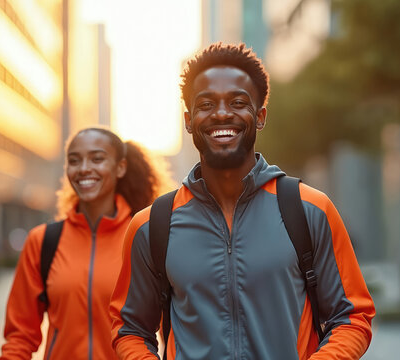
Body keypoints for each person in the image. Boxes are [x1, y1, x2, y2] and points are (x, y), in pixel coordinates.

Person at [110, 43, 375, 359]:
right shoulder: (152, 225)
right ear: (189, 120)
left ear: (260, 116)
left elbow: (352, 318)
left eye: (237, 102)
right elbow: (130, 330)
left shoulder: (310, 211)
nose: (222, 113)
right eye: (206, 104)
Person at [0, 127, 166, 360]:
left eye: (97, 159)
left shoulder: (144, 238)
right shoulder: (43, 241)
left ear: (120, 167)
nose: (84, 168)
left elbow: (170, 330)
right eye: (74, 161)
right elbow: (20, 336)